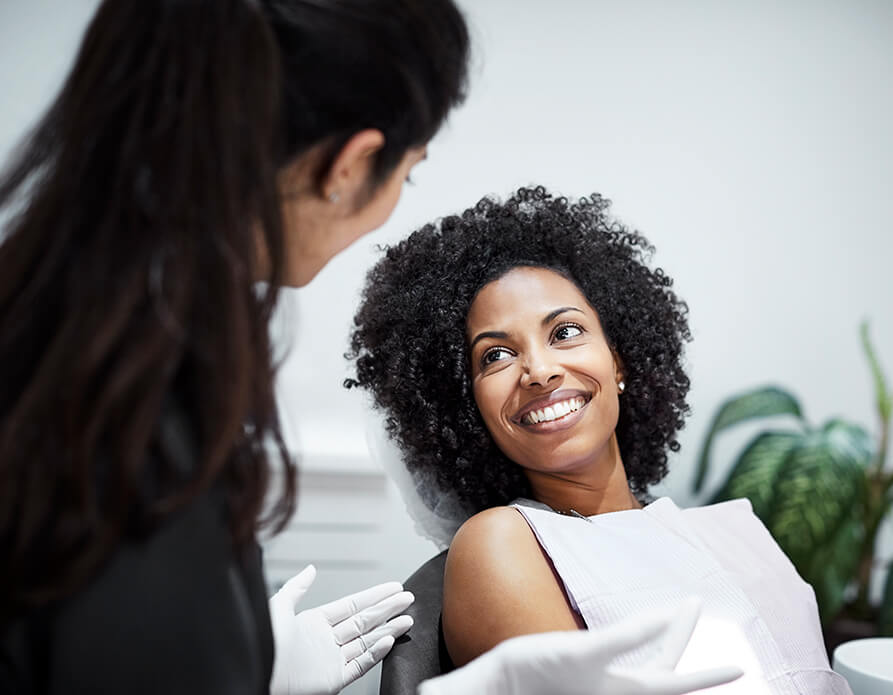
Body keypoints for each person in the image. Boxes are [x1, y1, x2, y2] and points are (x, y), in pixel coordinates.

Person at [0, 0, 740, 692]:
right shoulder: (131, 418)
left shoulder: (74, 339)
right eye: (409, 172)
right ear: (350, 165)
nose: (540, 368)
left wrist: (249, 661)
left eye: (566, 330)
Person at [346, 186, 853, 694]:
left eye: (565, 332)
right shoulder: (502, 544)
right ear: (466, 409)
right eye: (495, 355)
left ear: (619, 359)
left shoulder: (736, 528)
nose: (539, 371)